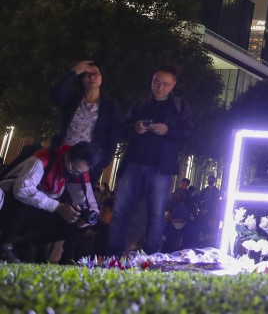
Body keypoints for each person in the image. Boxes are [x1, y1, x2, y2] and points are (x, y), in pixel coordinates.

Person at [106, 64, 194, 256]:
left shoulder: (179, 107)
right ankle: (114, 254)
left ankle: (151, 256)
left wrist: (168, 131)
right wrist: (134, 128)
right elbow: (122, 128)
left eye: (165, 84)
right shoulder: (140, 105)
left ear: (173, 85)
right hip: (134, 162)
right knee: (121, 210)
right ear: (151, 82)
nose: (160, 87)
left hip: (160, 168)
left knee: (156, 213)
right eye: (156, 82)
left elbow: (188, 133)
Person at [0, 142, 100, 262]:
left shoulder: (78, 171)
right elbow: (22, 190)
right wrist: (58, 207)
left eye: (81, 172)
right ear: (67, 156)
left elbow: (87, 201)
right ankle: (5, 244)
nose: (75, 175)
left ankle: (27, 244)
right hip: (9, 203)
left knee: (78, 222)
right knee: (25, 200)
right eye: (74, 170)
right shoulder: (42, 159)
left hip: (38, 210)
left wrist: (88, 217)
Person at [49, 60, 122, 180]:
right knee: (54, 189)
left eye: (96, 73)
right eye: (87, 74)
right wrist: (74, 71)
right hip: (63, 156)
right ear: (81, 78)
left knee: (80, 192)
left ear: (102, 77)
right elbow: (54, 95)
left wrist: (103, 162)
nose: (92, 77)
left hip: (88, 163)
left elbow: (114, 136)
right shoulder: (73, 99)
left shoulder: (110, 106)